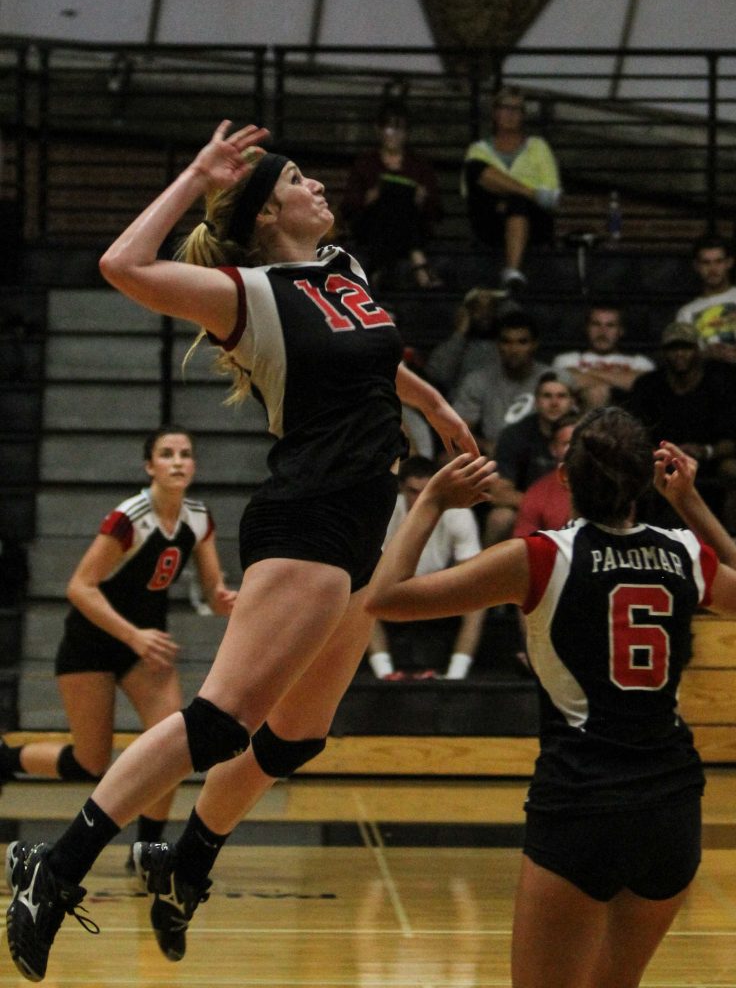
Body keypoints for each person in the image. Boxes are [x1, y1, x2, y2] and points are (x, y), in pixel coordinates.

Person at [4, 120, 475, 983]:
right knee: (219, 721)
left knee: (294, 738)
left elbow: (375, 361)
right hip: (309, 518)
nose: (320, 186)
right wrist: (193, 175)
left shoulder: (345, 269)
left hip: (357, 527)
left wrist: (434, 407)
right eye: (299, 178)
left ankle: (187, 862)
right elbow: (121, 266)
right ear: (267, 214)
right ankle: (56, 863)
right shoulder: (245, 293)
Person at [364, 409, 736, 988]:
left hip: (582, 799)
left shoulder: (541, 557)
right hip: (671, 804)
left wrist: (431, 502)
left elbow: (386, 597)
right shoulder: (682, 553)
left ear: (566, 479)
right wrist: (691, 502)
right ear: (641, 480)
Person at [0, 427, 235, 869]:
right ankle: (5, 758)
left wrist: (235, 601)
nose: (178, 461)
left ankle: (147, 851)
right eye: (167, 454)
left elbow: (214, 590)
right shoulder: (130, 517)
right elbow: (80, 588)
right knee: (90, 762)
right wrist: (133, 635)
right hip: (92, 642)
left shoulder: (199, 519)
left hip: (146, 648)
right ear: (150, 466)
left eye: (186, 454)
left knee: (171, 746)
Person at [366, 456, 484, 681]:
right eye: (413, 491)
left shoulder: (458, 512)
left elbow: (469, 573)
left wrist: (439, 587)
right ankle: (385, 674)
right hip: (390, 589)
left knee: (479, 600)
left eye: (426, 491)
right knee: (360, 591)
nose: (419, 499)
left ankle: (455, 677)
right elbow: (373, 567)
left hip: (436, 588)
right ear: (401, 489)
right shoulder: (386, 510)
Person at [627, 321, 736, 533]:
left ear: (697, 350)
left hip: (708, 462)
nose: (679, 354)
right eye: (673, 348)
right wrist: (656, 454)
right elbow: (633, 433)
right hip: (659, 463)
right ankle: (631, 536)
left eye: (685, 347)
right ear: (664, 353)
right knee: (629, 467)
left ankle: (735, 539)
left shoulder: (718, 384)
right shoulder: (647, 386)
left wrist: (704, 451)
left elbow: (733, 441)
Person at [460, 85, 561, 292]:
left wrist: (508, 194)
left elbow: (551, 193)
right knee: (474, 167)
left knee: (518, 203)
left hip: (533, 222)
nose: (510, 114)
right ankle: (525, 195)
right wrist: (529, 192)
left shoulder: (538, 147)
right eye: (505, 108)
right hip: (491, 221)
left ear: (523, 115)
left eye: (516, 109)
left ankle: (513, 271)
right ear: (495, 113)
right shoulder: (478, 149)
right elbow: (469, 188)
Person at [341, 100, 441, 290]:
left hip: (412, 225)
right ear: (379, 130)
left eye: (400, 129)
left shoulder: (418, 165)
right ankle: (417, 258)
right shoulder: (366, 163)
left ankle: (380, 269)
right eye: (389, 128)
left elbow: (435, 209)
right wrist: (370, 197)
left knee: (398, 200)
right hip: (371, 227)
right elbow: (349, 206)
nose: (394, 135)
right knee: (388, 201)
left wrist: (421, 199)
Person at [484, 374, 576, 546]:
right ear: (535, 402)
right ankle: (487, 570)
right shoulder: (515, 435)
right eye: (547, 396)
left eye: (561, 396)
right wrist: (545, 506)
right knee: (500, 517)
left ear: (572, 402)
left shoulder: (587, 432)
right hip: (527, 509)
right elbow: (498, 494)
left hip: (577, 506)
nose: (554, 403)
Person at [452, 311, 552, 455]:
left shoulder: (554, 377)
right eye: (506, 341)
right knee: (449, 459)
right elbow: (457, 431)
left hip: (544, 454)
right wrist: (485, 445)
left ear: (534, 345)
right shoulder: (478, 380)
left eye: (522, 342)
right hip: (493, 453)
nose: (514, 350)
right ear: (497, 345)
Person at [675, 234, 736, 393]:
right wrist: (709, 353)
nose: (713, 269)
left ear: (729, 263)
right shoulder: (686, 312)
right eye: (706, 263)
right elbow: (682, 357)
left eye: (718, 262)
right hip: (710, 377)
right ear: (696, 266)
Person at [552, 303, 654, 409]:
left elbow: (642, 385)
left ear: (621, 331)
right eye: (596, 324)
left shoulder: (640, 362)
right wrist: (622, 381)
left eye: (610, 325)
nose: (602, 331)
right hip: (578, 422)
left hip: (626, 422)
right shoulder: (566, 360)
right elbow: (564, 383)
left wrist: (584, 372)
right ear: (587, 328)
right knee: (597, 392)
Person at [425, 286, 504, 400]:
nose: (485, 313)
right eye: (478, 308)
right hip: (460, 410)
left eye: (490, 307)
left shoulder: (507, 345)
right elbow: (439, 376)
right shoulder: (454, 344)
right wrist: (460, 333)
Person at [512, 410, 579, 538]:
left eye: (580, 442)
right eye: (567, 443)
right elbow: (526, 545)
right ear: (553, 449)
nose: (574, 449)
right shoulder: (538, 493)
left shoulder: (610, 485)